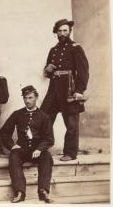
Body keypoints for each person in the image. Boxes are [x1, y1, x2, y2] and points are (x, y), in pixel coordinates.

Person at [41, 19, 89, 161]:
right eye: (60, 31)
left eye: (65, 30)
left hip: (70, 89)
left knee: (71, 124)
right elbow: (47, 71)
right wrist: (48, 70)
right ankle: (40, 150)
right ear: (56, 32)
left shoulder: (76, 48)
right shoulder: (53, 50)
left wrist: (80, 90)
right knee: (43, 119)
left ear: (69, 31)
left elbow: (83, 71)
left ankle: (70, 152)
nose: (62, 33)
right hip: (54, 90)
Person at [1, 85, 54, 203]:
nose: (27, 101)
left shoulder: (44, 116)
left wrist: (40, 149)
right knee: (14, 156)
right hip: (22, 149)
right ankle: (20, 192)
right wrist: (12, 145)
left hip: (37, 150)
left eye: (30, 98)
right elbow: (4, 132)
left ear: (36, 98)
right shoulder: (17, 114)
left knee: (47, 157)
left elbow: (49, 138)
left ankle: (43, 191)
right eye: (25, 98)